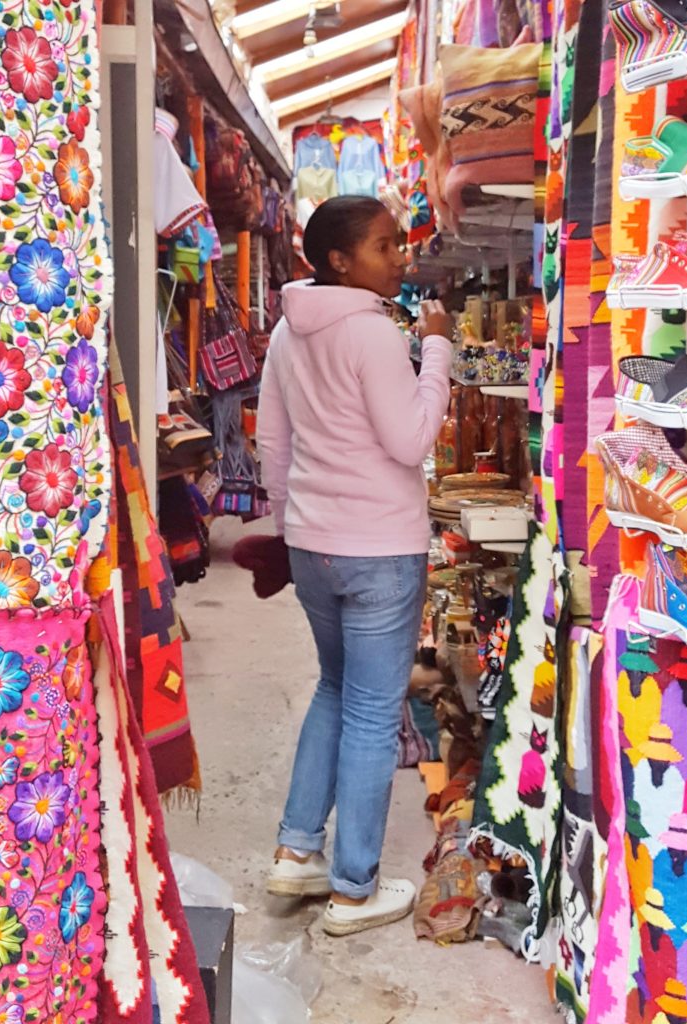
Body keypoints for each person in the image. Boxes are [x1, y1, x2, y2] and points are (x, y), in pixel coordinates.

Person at [256, 196, 454, 936]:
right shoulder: (372, 334)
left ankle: (297, 850)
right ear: (340, 261)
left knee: (335, 692)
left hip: (315, 543)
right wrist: (435, 349)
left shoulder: (288, 330)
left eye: (399, 242)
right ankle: (353, 888)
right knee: (372, 711)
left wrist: (291, 523)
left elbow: (274, 443)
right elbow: (410, 441)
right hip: (378, 547)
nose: (400, 255)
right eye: (384, 245)